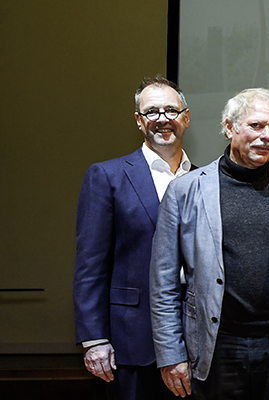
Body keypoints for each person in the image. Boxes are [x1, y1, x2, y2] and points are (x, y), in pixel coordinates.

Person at [149, 88, 269, 399]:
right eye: (256, 125)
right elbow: (163, 282)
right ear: (229, 128)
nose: (266, 136)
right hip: (215, 347)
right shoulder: (184, 191)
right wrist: (171, 354)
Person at [73, 75, 192, 399]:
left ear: (186, 117)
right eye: (152, 112)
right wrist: (94, 339)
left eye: (171, 110)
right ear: (139, 121)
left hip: (194, 340)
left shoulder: (203, 179)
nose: (162, 119)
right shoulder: (108, 176)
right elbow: (90, 263)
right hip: (132, 340)